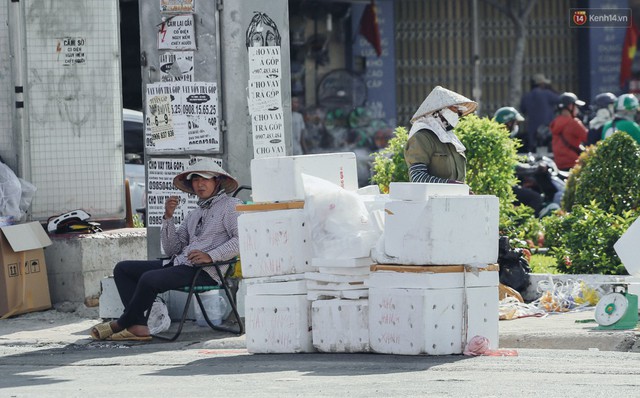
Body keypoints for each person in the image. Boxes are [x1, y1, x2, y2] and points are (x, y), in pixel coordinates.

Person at [90, 158, 241, 341]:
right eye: (195, 180)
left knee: (149, 279)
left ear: (216, 181)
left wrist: (211, 256)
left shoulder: (230, 206)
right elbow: (172, 249)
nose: (199, 184)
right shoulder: (195, 213)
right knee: (123, 269)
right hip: (179, 263)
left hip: (205, 271)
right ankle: (137, 324)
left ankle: (122, 323)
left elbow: (240, 239)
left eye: (205, 179)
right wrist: (168, 218)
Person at [404, 86, 477, 184]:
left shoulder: (451, 139)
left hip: (455, 198)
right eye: (455, 109)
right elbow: (417, 178)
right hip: (431, 198)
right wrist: (448, 185)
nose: (458, 114)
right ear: (437, 111)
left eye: (459, 112)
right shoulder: (421, 137)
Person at [520, 73, 560, 153]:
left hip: (532, 131)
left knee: (533, 151)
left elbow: (523, 110)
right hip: (547, 129)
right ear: (542, 84)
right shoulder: (548, 94)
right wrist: (552, 89)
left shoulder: (526, 97)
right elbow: (561, 100)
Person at [549, 92, 588, 171]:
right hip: (574, 164)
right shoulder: (573, 123)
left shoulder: (555, 122)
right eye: (576, 106)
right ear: (570, 106)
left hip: (559, 165)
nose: (577, 109)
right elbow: (588, 138)